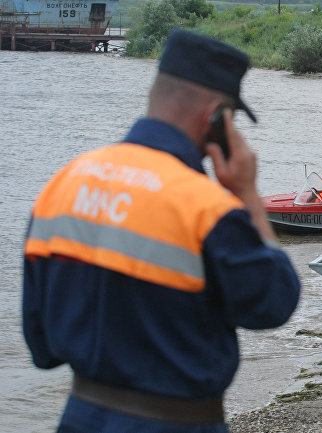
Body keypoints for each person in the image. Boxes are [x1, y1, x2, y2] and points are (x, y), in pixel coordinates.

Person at [22, 30, 301, 433]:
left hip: (80, 417)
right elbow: (273, 303)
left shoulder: (62, 184)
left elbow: (40, 346)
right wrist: (247, 194)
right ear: (217, 119)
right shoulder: (207, 207)